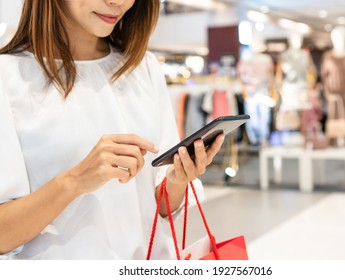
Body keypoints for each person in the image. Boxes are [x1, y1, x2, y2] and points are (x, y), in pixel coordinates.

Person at [0, 0, 225, 260]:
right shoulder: (9, 77)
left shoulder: (144, 67)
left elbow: (161, 208)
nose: (118, 2)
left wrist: (177, 180)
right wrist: (75, 181)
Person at [320, 25, 345, 146]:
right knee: (333, 119)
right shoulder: (328, 57)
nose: (339, 40)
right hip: (333, 93)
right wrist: (328, 93)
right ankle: (332, 144)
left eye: (342, 37)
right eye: (336, 37)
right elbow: (324, 78)